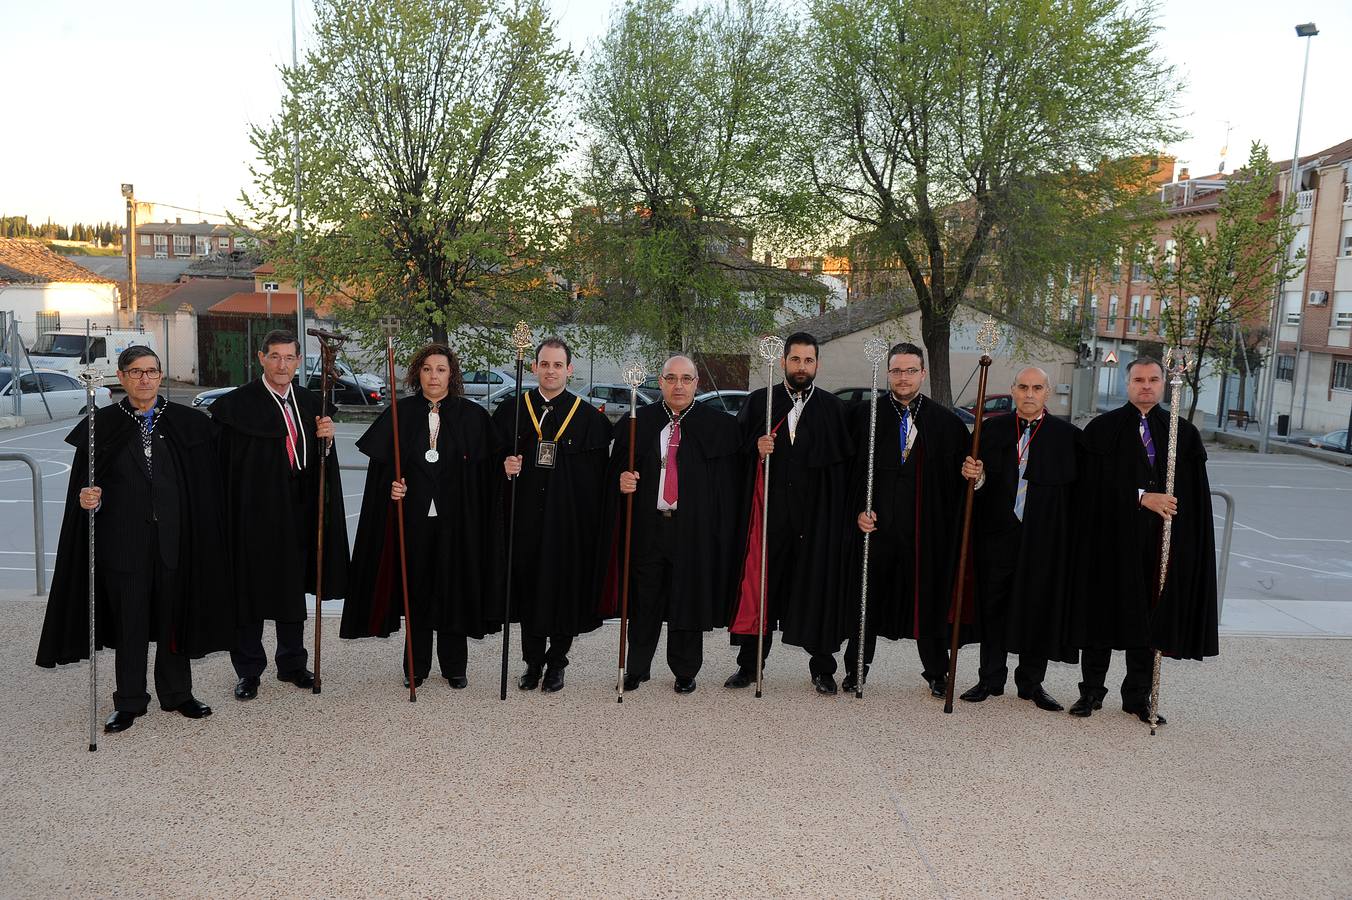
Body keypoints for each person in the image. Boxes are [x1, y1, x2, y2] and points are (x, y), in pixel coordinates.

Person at [37, 346, 232, 732]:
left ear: (161, 376)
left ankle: (178, 694)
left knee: (174, 620)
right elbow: (84, 488)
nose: (145, 379)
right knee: (131, 624)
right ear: (122, 377)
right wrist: (86, 497)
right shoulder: (101, 425)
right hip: (123, 543)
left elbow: (206, 485)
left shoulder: (187, 423)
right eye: (136, 372)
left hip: (176, 541)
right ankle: (129, 701)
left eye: (152, 371)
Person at [340, 343, 500, 687]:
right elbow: (382, 473)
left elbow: (484, 477)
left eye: (441, 369)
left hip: (457, 520)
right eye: (427, 369)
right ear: (417, 374)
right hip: (413, 518)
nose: (433, 376)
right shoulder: (401, 413)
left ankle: (454, 666)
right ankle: (416, 664)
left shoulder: (472, 416)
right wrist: (391, 489)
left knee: (452, 586)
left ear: (452, 375)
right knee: (417, 588)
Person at [1068, 356, 1218, 722]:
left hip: (1159, 542)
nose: (1146, 385)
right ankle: (1091, 693)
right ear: (1126, 383)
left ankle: (1137, 696)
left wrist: (1184, 539)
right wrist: (1140, 497)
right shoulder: (1101, 430)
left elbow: (1194, 495)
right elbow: (1089, 489)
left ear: (1164, 384)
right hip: (1111, 541)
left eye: (1153, 379)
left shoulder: (1183, 433)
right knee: (1102, 616)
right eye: (1138, 379)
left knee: (1148, 619)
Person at [210, 330, 348, 701]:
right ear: (261, 358)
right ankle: (249, 671)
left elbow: (320, 465)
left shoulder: (310, 403)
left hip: (299, 512)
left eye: (289, 358)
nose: (282, 364)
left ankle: (292, 665)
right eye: (275, 357)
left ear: (299, 361)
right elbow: (224, 467)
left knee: (291, 590)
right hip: (252, 514)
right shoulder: (237, 406)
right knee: (249, 593)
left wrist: (328, 439)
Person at [726, 333, 854, 694]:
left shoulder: (833, 408)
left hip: (815, 522)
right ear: (783, 362)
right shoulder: (759, 402)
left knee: (817, 590)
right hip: (770, 518)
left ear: (817, 365)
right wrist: (756, 448)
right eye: (795, 360)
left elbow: (844, 470)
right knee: (761, 588)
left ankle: (823, 669)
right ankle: (750, 666)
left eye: (808, 361)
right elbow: (734, 459)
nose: (801, 367)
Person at [610, 355, 741, 694]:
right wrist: (621, 480)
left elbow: (728, 488)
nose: (678, 385)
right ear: (661, 381)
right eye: (671, 378)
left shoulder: (719, 426)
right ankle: (637, 668)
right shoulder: (638, 421)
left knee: (688, 597)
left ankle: (685, 670)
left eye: (686, 378)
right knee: (644, 599)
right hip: (648, 525)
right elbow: (616, 470)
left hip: (693, 529)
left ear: (697, 383)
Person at [846, 342, 969, 697]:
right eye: (897, 371)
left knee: (928, 601)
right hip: (875, 529)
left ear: (923, 374)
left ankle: (936, 672)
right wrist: (857, 512)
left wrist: (976, 475)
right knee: (864, 599)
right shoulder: (864, 417)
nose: (903, 378)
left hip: (923, 531)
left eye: (910, 371)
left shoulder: (946, 424)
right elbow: (847, 475)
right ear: (888, 373)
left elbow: (962, 482)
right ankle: (857, 669)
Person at [957, 366, 1079, 712]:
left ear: (1047, 393)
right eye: (1023, 387)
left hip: (1042, 539)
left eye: (1036, 387)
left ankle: (1031, 683)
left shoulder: (1065, 436)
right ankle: (989, 679)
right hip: (997, 534)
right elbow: (973, 487)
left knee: (1036, 606)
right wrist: (974, 478)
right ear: (1012, 390)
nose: (1029, 393)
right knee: (992, 606)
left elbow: (1073, 496)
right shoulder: (989, 430)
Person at [495, 338, 611, 693]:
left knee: (563, 593)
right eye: (544, 364)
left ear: (569, 370)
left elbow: (598, 482)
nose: (550, 371)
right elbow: (487, 464)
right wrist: (505, 464)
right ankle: (532, 664)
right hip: (525, 520)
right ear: (534, 367)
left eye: (557, 365)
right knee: (528, 592)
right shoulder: (512, 411)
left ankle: (557, 663)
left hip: (567, 524)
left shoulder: (590, 418)